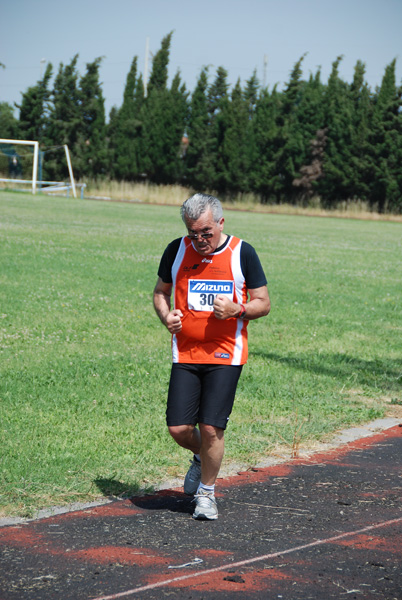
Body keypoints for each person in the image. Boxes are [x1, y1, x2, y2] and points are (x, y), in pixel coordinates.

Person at [153, 193, 270, 520]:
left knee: (211, 428)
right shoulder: (176, 250)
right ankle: (202, 458)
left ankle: (206, 494)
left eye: (206, 232)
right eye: (194, 233)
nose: (200, 240)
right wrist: (166, 318)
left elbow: (264, 302)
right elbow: (160, 292)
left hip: (225, 355)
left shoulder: (242, 253)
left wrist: (239, 309)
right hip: (186, 353)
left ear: (220, 223)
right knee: (178, 428)